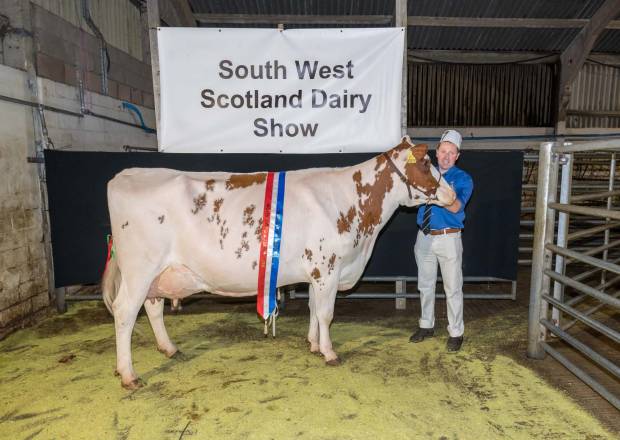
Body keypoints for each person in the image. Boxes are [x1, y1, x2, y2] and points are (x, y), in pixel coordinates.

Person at [409, 129, 473, 352]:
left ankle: (456, 332)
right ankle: (426, 325)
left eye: (451, 152)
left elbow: (456, 206)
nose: (446, 156)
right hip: (424, 235)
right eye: (443, 150)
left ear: (457, 156)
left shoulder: (462, 179)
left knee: (452, 287)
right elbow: (407, 160)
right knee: (425, 284)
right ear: (437, 152)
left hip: (449, 236)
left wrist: (439, 193)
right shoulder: (424, 172)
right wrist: (414, 152)